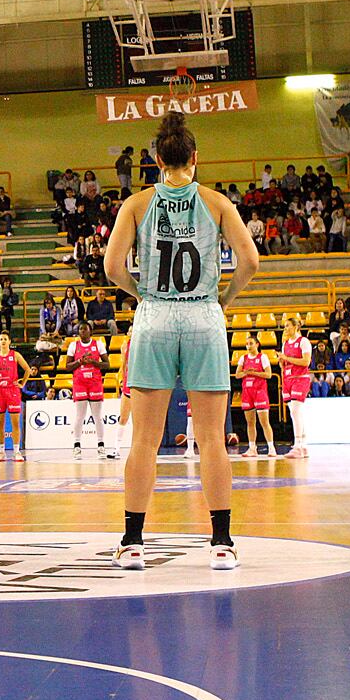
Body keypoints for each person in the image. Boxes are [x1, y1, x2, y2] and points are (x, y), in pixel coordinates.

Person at [102, 111, 261, 571]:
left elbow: (113, 268)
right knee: (211, 438)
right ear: (195, 157)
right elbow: (249, 260)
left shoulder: (135, 204)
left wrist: (143, 294)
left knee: (144, 440)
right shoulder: (216, 202)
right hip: (202, 315)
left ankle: (132, 542)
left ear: (155, 159)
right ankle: (222, 542)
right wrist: (224, 298)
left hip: (154, 314)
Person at [65, 323, 109, 455]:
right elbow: (67, 367)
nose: (82, 331)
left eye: (85, 329)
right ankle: (76, 444)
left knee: (97, 416)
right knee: (80, 416)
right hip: (80, 383)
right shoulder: (74, 345)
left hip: (94, 382)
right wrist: (80, 362)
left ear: (90, 331)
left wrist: (93, 362)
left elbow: (107, 364)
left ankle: (101, 444)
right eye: (80, 329)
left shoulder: (98, 344)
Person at [277, 319, 314, 459]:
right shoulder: (285, 344)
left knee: (296, 410)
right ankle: (303, 446)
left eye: (287, 326)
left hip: (300, 378)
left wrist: (287, 358)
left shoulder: (303, 341)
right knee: (293, 412)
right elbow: (286, 363)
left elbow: (306, 361)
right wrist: (282, 362)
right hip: (288, 379)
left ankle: (298, 444)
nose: (285, 328)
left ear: (296, 327)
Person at [237, 337, 276, 458]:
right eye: (247, 344)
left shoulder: (262, 357)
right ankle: (252, 448)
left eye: (251, 344)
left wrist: (253, 373)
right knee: (250, 422)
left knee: (264, 422)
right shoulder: (243, 358)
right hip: (247, 392)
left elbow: (268, 374)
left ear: (257, 345)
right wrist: (246, 372)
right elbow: (238, 375)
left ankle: (271, 448)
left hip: (259, 392)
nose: (249, 346)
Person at [0, 332, 26, 457]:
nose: (3, 341)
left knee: (15, 423)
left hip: (12, 391)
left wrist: (22, 383)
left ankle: (16, 451)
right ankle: (1, 452)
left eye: (5, 339)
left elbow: (27, 369)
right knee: (0, 424)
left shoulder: (15, 355)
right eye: (1, 339)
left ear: (9, 341)